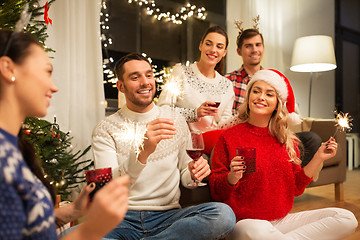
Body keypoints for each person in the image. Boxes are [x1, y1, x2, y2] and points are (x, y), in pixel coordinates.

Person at [0, 30, 130, 240]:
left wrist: (72, 212)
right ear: (8, 68)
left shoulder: (12, 146)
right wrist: (91, 230)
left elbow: (20, 223)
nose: (54, 87)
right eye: (47, 72)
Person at [91, 52, 236, 239]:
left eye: (149, 75)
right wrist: (141, 154)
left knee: (223, 216)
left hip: (168, 217)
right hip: (120, 219)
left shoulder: (174, 119)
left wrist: (193, 172)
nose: (145, 82)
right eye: (135, 77)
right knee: (71, 235)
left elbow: (185, 173)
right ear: (120, 86)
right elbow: (106, 188)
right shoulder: (105, 128)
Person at [209, 69, 358, 240]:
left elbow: (295, 187)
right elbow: (216, 190)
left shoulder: (286, 139)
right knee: (259, 230)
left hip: (281, 221)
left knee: (346, 218)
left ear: (277, 103)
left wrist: (319, 157)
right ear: (248, 96)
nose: (261, 97)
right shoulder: (228, 136)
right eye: (256, 91)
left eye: (269, 94)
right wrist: (232, 177)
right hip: (246, 224)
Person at [225, 28, 322, 168]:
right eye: (248, 46)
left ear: (263, 48)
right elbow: (226, 120)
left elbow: (287, 113)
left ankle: (291, 183)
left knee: (312, 139)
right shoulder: (229, 81)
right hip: (247, 138)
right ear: (239, 51)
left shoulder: (275, 80)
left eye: (258, 45)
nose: (254, 50)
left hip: (273, 136)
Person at [158, 26, 234, 135]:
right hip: (183, 144)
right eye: (208, 44)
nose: (213, 50)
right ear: (200, 45)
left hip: (212, 146)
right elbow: (163, 109)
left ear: (224, 52)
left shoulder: (227, 85)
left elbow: (224, 125)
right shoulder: (180, 73)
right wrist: (194, 113)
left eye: (219, 47)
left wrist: (242, 116)